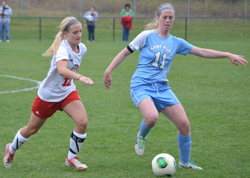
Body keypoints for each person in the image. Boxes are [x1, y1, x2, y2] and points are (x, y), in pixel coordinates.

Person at [104, 3, 247, 170]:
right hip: (141, 86)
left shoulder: (176, 42)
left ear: (173, 20)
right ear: (158, 18)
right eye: (164, 17)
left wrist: (227, 54)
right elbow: (125, 52)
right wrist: (108, 71)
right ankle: (141, 136)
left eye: (170, 17)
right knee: (151, 117)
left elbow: (202, 51)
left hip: (163, 88)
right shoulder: (146, 36)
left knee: (184, 125)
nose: (167, 20)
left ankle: (185, 163)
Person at [3, 17, 94, 170]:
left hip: (67, 93)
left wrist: (75, 80)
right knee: (32, 129)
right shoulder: (62, 48)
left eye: (80, 31)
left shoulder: (82, 48)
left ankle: (71, 158)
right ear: (65, 33)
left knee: (82, 122)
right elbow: (62, 69)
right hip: (48, 95)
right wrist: (80, 77)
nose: (79, 35)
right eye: (75, 32)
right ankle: (11, 149)